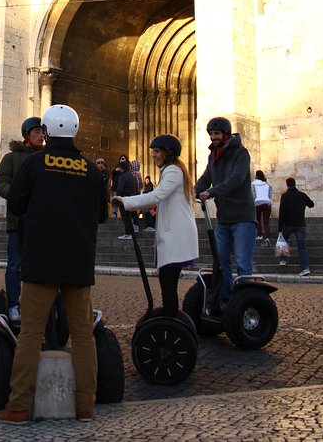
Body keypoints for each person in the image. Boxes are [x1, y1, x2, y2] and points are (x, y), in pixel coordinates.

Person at [0, 104, 108, 424]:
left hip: (41, 258)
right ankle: (86, 405)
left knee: (31, 333)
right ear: (75, 131)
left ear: (45, 131)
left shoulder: (34, 164)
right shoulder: (90, 169)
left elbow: (16, 203)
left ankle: (17, 407)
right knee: (83, 334)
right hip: (78, 260)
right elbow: (101, 215)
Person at [112, 134, 198, 317]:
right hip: (175, 236)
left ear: (169, 153)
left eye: (157, 152)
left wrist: (125, 201)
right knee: (167, 283)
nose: (154, 155)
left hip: (177, 237)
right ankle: (170, 320)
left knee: (168, 284)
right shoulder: (171, 171)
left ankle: (171, 322)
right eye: (153, 152)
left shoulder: (173, 171)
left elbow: (155, 196)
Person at [194, 116, 256, 310]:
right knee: (220, 262)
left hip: (243, 218)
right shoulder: (214, 155)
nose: (213, 137)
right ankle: (226, 300)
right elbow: (206, 178)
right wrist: (192, 191)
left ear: (226, 134)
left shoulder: (241, 153)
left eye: (217, 134)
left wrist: (211, 192)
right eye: (211, 134)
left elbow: (236, 179)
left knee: (242, 263)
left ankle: (245, 304)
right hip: (224, 218)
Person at [0, 116, 45, 323]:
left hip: (42, 220)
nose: (42, 136)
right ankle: (14, 304)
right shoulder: (11, 158)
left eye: (43, 132)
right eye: (37, 132)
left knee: (42, 264)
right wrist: (17, 196)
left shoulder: (48, 157)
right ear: (27, 135)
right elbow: (1, 182)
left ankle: (39, 304)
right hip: (18, 220)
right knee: (14, 264)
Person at [278, 177, 314, 276]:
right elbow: (311, 204)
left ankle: (283, 260)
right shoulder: (302, 195)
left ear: (287, 185)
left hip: (288, 224)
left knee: (283, 241)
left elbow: (282, 212)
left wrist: (280, 227)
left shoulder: (285, 196)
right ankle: (305, 268)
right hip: (300, 224)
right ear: (295, 184)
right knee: (301, 247)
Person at [115, 159, 139, 240]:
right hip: (131, 198)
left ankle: (128, 233)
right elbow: (136, 187)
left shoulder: (123, 176)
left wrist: (118, 196)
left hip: (124, 199)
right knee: (131, 215)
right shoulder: (132, 175)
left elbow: (120, 189)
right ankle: (134, 228)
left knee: (125, 217)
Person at [251, 170, 272, 246]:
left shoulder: (253, 183)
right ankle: (267, 238)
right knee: (266, 222)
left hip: (257, 203)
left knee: (258, 220)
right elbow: (270, 195)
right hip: (266, 203)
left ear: (256, 175)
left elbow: (253, 195)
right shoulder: (267, 184)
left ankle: (259, 235)